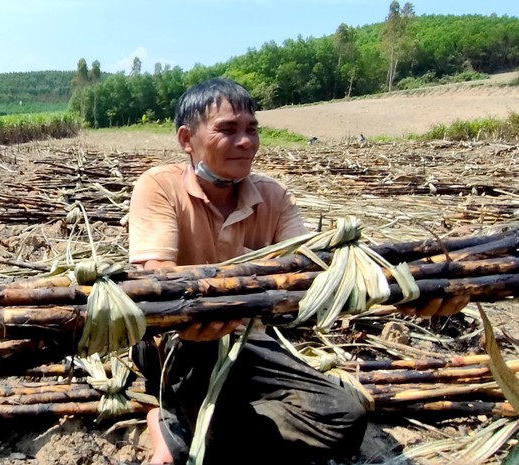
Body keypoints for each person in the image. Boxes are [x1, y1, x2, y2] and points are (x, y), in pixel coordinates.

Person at [127, 77, 468, 465]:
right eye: (228, 129)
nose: (247, 142)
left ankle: (183, 427)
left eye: (252, 129)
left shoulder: (273, 196)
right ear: (187, 139)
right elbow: (157, 281)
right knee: (210, 389)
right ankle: (182, 419)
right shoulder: (159, 187)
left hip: (248, 344)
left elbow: (315, 276)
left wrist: (406, 291)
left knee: (344, 418)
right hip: (178, 342)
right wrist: (195, 313)